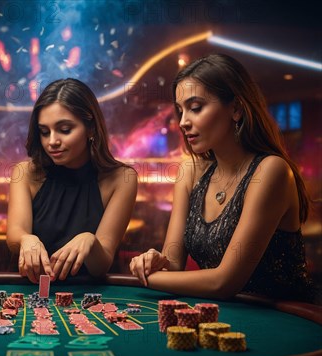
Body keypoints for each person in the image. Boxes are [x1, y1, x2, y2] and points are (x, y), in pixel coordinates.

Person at [130, 53, 316, 302]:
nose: (183, 122)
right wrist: (153, 261)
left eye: (196, 108)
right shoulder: (190, 172)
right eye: (180, 110)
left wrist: (146, 278)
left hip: (285, 319)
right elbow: (173, 263)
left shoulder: (271, 171)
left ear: (236, 108)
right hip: (222, 315)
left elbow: (224, 282)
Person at [6, 78, 138, 284]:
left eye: (65, 130)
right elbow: (15, 233)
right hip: (33, 291)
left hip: (91, 295)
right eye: (44, 132)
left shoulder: (122, 178)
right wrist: (26, 239)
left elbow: (101, 264)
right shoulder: (25, 173)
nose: (52, 141)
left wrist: (90, 240)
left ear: (91, 129)